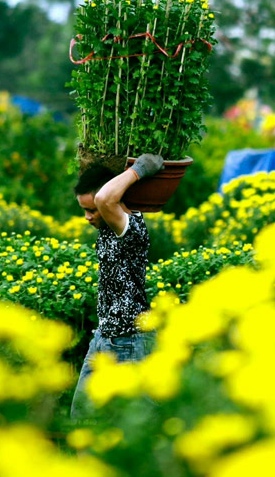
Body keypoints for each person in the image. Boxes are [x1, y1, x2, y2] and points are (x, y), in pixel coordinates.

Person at [70, 153, 162, 419]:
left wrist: (139, 169)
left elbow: (104, 198)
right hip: (104, 337)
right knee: (81, 418)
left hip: (131, 339)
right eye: (84, 210)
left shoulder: (131, 228)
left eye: (91, 210)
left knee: (139, 424)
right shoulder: (107, 228)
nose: (87, 217)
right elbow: (100, 197)